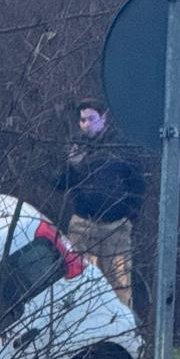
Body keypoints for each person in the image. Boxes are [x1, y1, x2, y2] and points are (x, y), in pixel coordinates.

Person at [55, 99, 144, 308]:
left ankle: (123, 333)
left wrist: (129, 215)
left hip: (115, 226)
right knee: (82, 282)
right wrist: (71, 165)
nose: (86, 124)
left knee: (120, 283)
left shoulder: (120, 146)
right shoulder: (76, 148)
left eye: (91, 119)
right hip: (83, 224)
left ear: (103, 118)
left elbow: (138, 184)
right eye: (82, 120)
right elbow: (60, 183)